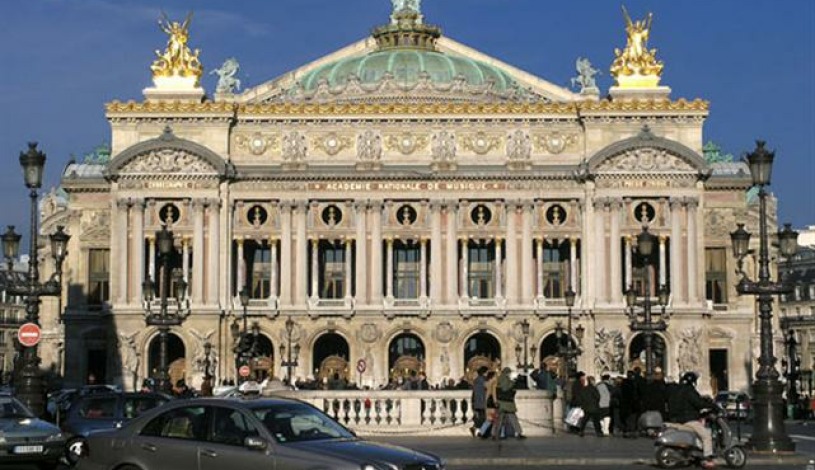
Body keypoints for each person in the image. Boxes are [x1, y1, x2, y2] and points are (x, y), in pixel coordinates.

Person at [667, 372, 715, 469]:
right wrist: (711, 405)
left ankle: (696, 452)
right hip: (688, 419)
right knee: (706, 435)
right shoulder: (689, 391)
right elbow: (698, 403)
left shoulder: (678, 390)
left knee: (697, 433)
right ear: (693, 382)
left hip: (677, 418)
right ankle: (707, 459)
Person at [494, 367, 525, 439]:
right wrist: (513, 382)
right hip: (506, 402)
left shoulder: (500, 378)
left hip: (503, 402)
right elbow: (505, 388)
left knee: (500, 419)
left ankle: (496, 434)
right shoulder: (504, 378)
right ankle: (518, 433)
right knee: (510, 418)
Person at [470, 366, 488, 437]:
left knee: (481, 417)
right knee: (483, 417)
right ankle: (480, 431)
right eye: (487, 372)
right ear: (484, 372)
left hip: (477, 401)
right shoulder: (483, 380)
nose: (488, 373)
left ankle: (477, 429)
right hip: (482, 401)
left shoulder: (476, 380)